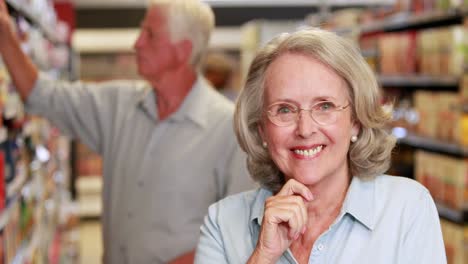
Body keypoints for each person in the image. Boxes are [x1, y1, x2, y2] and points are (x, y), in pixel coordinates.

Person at [0, 0, 253, 263]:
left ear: (182, 51)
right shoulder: (116, 106)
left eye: (150, 34)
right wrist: (6, 32)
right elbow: (43, 95)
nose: (137, 44)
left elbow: (237, 234)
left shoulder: (229, 129)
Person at [195, 28, 446, 264]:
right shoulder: (223, 222)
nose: (305, 129)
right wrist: (262, 256)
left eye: (324, 106)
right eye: (284, 109)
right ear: (261, 129)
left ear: (356, 121)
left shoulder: (407, 208)